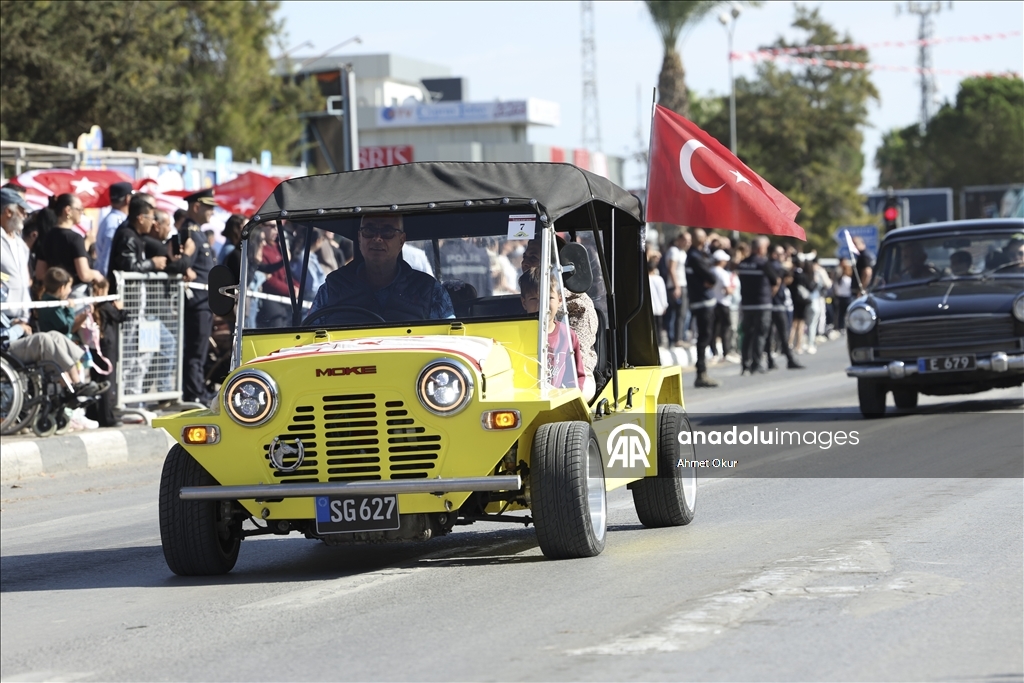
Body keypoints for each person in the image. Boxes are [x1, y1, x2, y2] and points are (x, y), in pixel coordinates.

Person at [307, 214, 453, 324]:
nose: (377, 238)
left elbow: (450, 339)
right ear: (359, 238)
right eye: (369, 231)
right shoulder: (333, 288)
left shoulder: (428, 290)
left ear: (401, 240)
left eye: (387, 231)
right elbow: (308, 340)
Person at [521, 236, 599, 391]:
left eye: (533, 257)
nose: (525, 263)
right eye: (525, 257)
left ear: (554, 265)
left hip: (571, 373)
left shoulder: (579, 305)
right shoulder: (525, 298)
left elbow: (575, 358)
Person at [519, 267, 589, 397]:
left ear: (560, 300)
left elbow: (575, 378)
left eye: (549, 298)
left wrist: (569, 399)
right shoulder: (516, 334)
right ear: (524, 303)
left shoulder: (567, 336)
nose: (542, 305)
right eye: (534, 299)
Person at [177, 189, 218, 405]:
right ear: (196, 207)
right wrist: (185, 269)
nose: (212, 211)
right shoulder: (189, 232)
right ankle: (194, 392)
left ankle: (197, 389)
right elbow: (182, 264)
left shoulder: (197, 232)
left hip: (203, 300)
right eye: (208, 207)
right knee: (195, 350)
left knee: (200, 350)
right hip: (195, 301)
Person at [35, 194, 105, 291]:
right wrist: (96, 274)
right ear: (68, 210)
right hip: (76, 293)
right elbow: (84, 274)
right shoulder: (75, 238)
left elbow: (40, 273)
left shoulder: (47, 237)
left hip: (54, 293)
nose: (82, 212)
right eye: (79, 209)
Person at [84, 277, 127, 427]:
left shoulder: (91, 305)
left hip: (95, 347)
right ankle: (106, 417)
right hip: (107, 347)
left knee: (96, 380)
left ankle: (92, 412)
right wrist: (120, 308)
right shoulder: (105, 305)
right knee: (107, 382)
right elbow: (120, 317)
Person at [107, 195, 167, 291]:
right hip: (124, 299)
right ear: (141, 218)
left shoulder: (136, 235)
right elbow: (129, 266)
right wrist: (152, 263)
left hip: (134, 299)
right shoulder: (127, 236)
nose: (152, 222)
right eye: (151, 218)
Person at [737, 237, 778, 374]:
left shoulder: (742, 264)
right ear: (760, 249)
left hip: (747, 305)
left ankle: (745, 364)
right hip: (762, 304)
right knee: (760, 334)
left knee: (747, 335)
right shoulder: (763, 263)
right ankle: (756, 363)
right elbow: (775, 281)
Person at [686, 229, 720, 388]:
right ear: (700, 240)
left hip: (702, 300)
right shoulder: (695, 257)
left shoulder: (697, 255)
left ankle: (702, 371)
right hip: (702, 301)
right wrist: (710, 280)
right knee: (704, 336)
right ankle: (701, 373)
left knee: (706, 336)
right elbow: (711, 276)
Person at [767, 246, 803, 370]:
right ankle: (788, 359)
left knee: (771, 334)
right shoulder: (775, 266)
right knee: (782, 333)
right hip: (776, 305)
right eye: (781, 253)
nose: (783, 255)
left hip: (774, 304)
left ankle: (771, 360)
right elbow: (778, 282)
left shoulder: (772, 265)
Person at [0, 188, 32, 322]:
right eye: (21, 210)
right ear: (8, 212)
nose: (25, 215)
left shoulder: (20, 244)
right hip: (4, 317)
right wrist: (5, 279)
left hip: (22, 316)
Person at [36, 267, 93, 340]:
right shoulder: (54, 308)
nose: (70, 290)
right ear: (62, 288)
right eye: (69, 287)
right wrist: (70, 309)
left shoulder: (49, 301)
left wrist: (83, 316)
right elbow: (66, 328)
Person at [95, 181, 133, 275]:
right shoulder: (115, 222)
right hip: (109, 279)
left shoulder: (110, 219)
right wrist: (105, 279)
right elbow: (107, 254)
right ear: (128, 198)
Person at [664, 231, 690, 346]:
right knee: (676, 313)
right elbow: (672, 269)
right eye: (685, 240)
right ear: (679, 240)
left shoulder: (682, 252)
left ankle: (679, 337)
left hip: (682, 284)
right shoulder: (674, 251)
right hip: (676, 285)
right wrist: (677, 286)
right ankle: (675, 339)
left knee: (682, 313)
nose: (687, 243)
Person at [710, 249, 735, 361]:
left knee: (714, 329)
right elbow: (728, 290)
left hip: (712, 303)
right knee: (725, 328)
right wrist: (733, 288)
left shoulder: (710, 271)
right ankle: (726, 351)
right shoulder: (723, 273)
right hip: (723, 303)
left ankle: (714, 351)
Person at [648, 254, 668, 347]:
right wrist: (664, 305)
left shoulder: (646, 279)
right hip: (659, 307)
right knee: (658, 326)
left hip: (650, 308)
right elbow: (662, 293)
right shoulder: (659, 279)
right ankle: (658, 342)